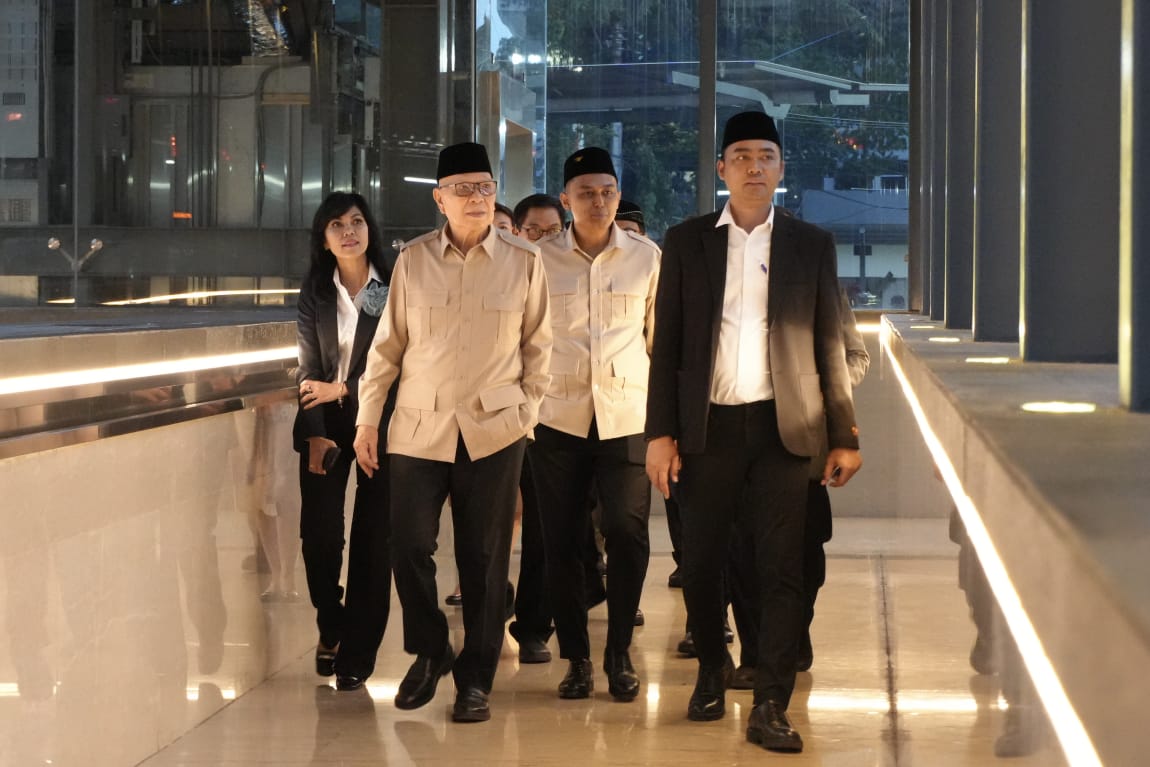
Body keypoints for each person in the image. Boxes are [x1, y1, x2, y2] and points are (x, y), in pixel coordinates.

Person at [645, 111, 862, 754]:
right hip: (707, 428)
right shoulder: (686, 242)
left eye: (766, 155)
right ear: (721, 169)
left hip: (784, 431)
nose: (754, 166)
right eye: (740, 156)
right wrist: (660, 433)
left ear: (781, 168)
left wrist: (844, 434)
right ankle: (712, 671)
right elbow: (667, 347)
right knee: (702, 561)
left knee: (782, 567)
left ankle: (771, 701)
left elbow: (829, 343)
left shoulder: (810, 243)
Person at [353, 142, 551, 723]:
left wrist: (525, 416)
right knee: (408, 544)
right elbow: (386, 348)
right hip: (419, 426)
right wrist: (368, 418)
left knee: (483, 557)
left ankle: (476, 680)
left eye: (485, 188)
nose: (477, 199)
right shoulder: (414, 260)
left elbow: (540, 348)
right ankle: (431, 646)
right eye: (463, 189)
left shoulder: (524, 260)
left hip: (495, 429)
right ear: (440, 199)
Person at [530, 147, 660, 701]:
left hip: (627, 417)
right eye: (586, 193)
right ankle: (577, 659)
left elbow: (659, 341)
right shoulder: (537, 259)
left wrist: (666, 425)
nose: (599, 201)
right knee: (560, 541)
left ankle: (619, 652)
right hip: (556, 418)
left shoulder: (647, 257)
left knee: (628, 533)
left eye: (607, 191)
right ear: (566, 200)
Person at [726, 284, 870, 689]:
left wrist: (822, 389)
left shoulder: (821, 286)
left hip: (803, 441)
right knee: (743, 551)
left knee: (805, 550)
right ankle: (756, 654)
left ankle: (793, 635)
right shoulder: (728, 281)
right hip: (738, 438)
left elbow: (856, 356)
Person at [293, 191, 395, 692]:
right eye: (337, 225)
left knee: (374, 539)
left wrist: (347, 389)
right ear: (324, 239)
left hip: (382, 420)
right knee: (320, 535)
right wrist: (315, 433)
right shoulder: (317, 290)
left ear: (369, 229)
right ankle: (330, 620)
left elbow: (402, 361)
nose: (349, 231)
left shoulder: (392, 286)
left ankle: (357, 656)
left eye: (356, 221)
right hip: (326, 421)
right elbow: (308, 369)